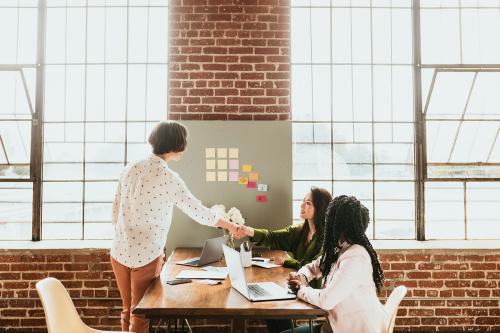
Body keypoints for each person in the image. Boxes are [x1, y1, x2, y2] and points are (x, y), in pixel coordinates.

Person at [110, 121, 240, 333]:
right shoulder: (169, 178)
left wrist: (126, 234)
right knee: (141, 313)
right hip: (147, 255)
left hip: (119, 251)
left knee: (127, 310)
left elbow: (115, 212)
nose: (185, 147)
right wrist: (231, 226)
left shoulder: (130, 168)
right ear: (175, 145)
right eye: (183, 142)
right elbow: (199, 212)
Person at [234, 187, 332, 333]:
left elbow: (312, 266)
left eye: (308, 203)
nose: (302, 205)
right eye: (303, 201)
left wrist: (287, 261)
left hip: (313, 292)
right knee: (268, 306)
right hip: (296, 286)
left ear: (320, 208)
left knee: (272, 304)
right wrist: (249, 231)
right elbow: (273, 237)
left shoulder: (328, 238)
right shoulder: (300, 231)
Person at [286, 195, 387, 333]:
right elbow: (313, 267)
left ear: (338, 224)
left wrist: (301, 289)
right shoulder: (341, 248)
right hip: (336, 326)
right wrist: (301, 277)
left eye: (330, 218)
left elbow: (326, 300)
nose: (327, 222)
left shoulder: (355, 256)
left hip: (355, 329)